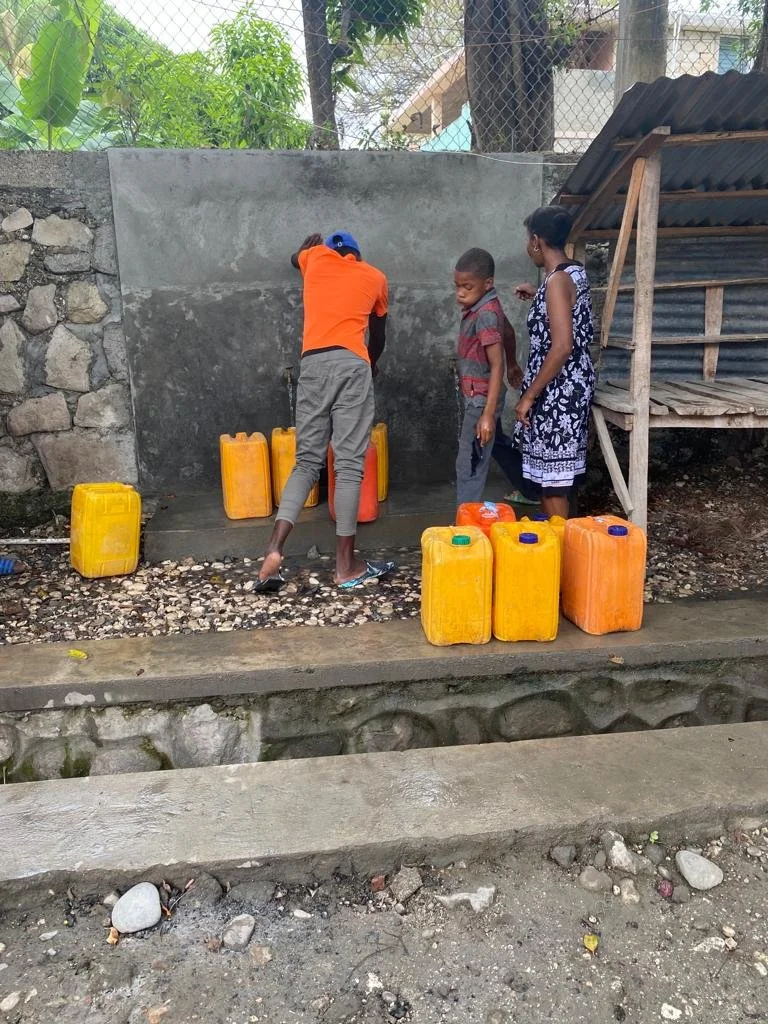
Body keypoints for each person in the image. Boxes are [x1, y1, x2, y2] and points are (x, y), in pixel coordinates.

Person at [256, 231, 395, 591]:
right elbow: (378, 335)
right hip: (352, 363)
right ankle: (346, 566)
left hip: (313, 363)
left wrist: (303, 248)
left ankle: (273, 548)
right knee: (349, 464)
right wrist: (372, 362)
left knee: (306, 462)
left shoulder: (314, 259)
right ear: (357, 256)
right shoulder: (374, 276)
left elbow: (293, 258)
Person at [513, 205, 596, 519]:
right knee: (554, 479)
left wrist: (529, 396)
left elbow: (561, 346)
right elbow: (568, 309)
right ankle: (562, 546)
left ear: (536, 241)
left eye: (528, 240)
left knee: (553, 485)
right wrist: (538, 294)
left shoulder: (557, 282)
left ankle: (561, 556)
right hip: (566, 387)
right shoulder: (571, 273)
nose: (528, 247)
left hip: (558, 392)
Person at [453, 248, 507, 506]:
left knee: (470, 461)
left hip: (482, 400)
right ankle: (531, 488)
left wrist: (487, 413)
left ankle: (465, 525)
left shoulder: (485, 314)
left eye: (467, 287)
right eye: (457, 286)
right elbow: (507, 332)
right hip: (481, 396)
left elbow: (497, 365)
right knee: (497, 448)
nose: (460, 292)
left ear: (488, 284)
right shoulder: (484, 305)